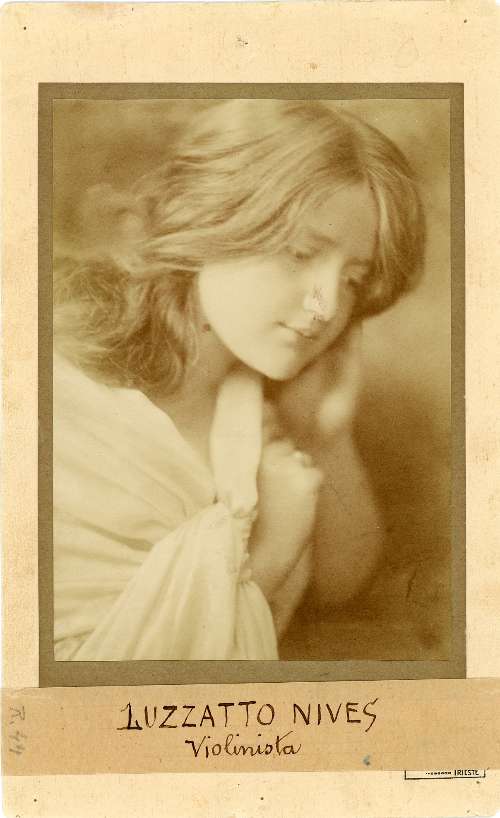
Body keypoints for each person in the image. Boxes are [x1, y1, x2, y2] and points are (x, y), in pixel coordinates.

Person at [53, 99, 425, 660]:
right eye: (300, 253)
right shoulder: (62, 396)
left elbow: (338, 586)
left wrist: (326, 437)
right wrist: (271, 552)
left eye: (352, 279)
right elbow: (84, 682)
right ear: (211, 221)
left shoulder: (259, 399)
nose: (326, 306)